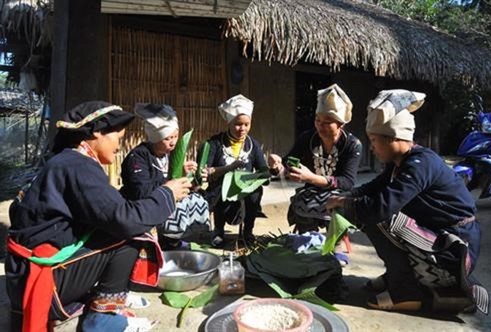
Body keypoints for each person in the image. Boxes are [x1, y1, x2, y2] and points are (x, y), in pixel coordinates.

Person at [6, 101, 192, 331]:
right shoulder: (78, 165)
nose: (119, 146)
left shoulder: (66, 161)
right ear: (96, 133)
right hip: (39, 281)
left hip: (21, 276)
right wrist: (167, 194)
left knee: (112, 225)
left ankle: (105, 297)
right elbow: (125, 219)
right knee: (134, 233)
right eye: (118, 138)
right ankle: (103, 318)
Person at [326, 89, 488, 313]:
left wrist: (348, 205)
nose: (371, 148)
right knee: (366, 205)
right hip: (437, 238)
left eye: (374, 140)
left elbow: (380, 207)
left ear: (394, 138)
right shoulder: (400, 162)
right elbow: (375, 186)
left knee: (378, 216)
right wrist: (347, 196)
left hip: (454, 250)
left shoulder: (419, 164)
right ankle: (398, 275)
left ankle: (406, 291)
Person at [268, 84, 362, 233]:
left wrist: (311, 178)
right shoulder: (308, 138)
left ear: (340, 125)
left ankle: (335, 245)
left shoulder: (352, 145)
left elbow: (347, 182)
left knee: (340, 205)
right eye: (317, 120)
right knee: (302, 201)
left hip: (339, 193)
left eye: (327, 122)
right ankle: (309, 240)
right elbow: (287, 164)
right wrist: (277, 165)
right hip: (312, 191)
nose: (320, 126)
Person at [120, 103, 210, 249]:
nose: (173, 142)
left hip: (163, 200)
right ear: (155, 138)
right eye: (168, 138)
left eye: (175, 136)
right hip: (143, 207)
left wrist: (188, 177)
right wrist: (171, 182)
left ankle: (179, 240)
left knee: (198, 199)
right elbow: (141, 191)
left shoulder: (169, 155)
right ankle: (165, 242)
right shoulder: (138, 157)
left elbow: (175, 181)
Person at [202, 94, 269, 248]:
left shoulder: (254, 145)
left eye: (247, 124)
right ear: (229, 122)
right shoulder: (215, 143)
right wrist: (227, 169)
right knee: (219, 189)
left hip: (244, 191)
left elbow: (263, 171)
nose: (243, 129)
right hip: (221, 191)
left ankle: (247, 232)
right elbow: (206, 171)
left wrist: (273, 169)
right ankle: (218, 230)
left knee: (255, 192)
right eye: (238, 124)